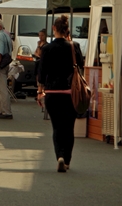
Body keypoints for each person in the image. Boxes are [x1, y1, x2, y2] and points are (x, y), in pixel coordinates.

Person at [36, 15, 84, 172]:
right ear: (67, 30)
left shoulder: (46, 49)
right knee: (69, 127)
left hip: (52, 92)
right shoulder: (74, 46)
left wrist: (40, 91)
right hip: (71, 92)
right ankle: (67, 160)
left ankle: (59, 156)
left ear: (54, 29)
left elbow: (41, 74)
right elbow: (80, 65)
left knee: (56, 127)